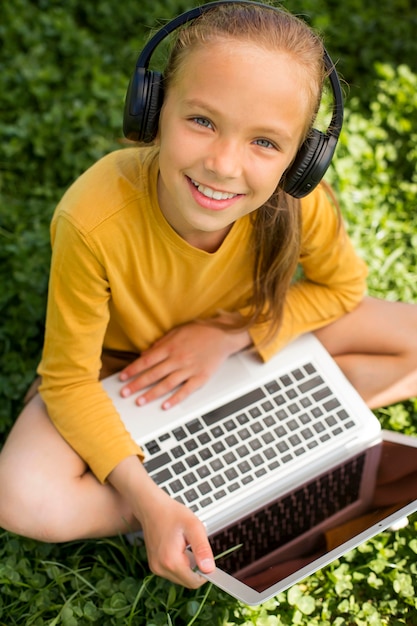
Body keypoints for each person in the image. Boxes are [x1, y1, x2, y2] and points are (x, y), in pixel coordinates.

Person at [0, 1, 416, 591]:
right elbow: (67, 382)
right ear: (153, 109)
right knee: (21, 496)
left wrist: (229, 337)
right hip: (124, 378)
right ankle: (196, 484)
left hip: (237, 348)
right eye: (202, 121)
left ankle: (240, 445)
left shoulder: (297, 204)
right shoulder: (93, 216)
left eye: (266, 143)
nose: (223, 165)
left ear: (302, 160)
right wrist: (146, 502)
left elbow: (343, 287)